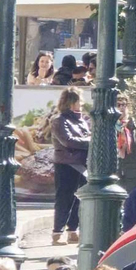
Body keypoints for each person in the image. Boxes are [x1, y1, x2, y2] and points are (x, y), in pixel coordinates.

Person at [49, 87, 90, 245]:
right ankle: (57, 233)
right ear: (71, 102)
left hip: (81, 164)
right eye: (79, 100)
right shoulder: (59, 120)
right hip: (66, 165)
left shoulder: (82, 120)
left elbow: (80, 138)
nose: (82, 103)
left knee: (78, 200)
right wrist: (90, 142)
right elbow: (68, 141)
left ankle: (73, 231)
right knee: (64, 199)